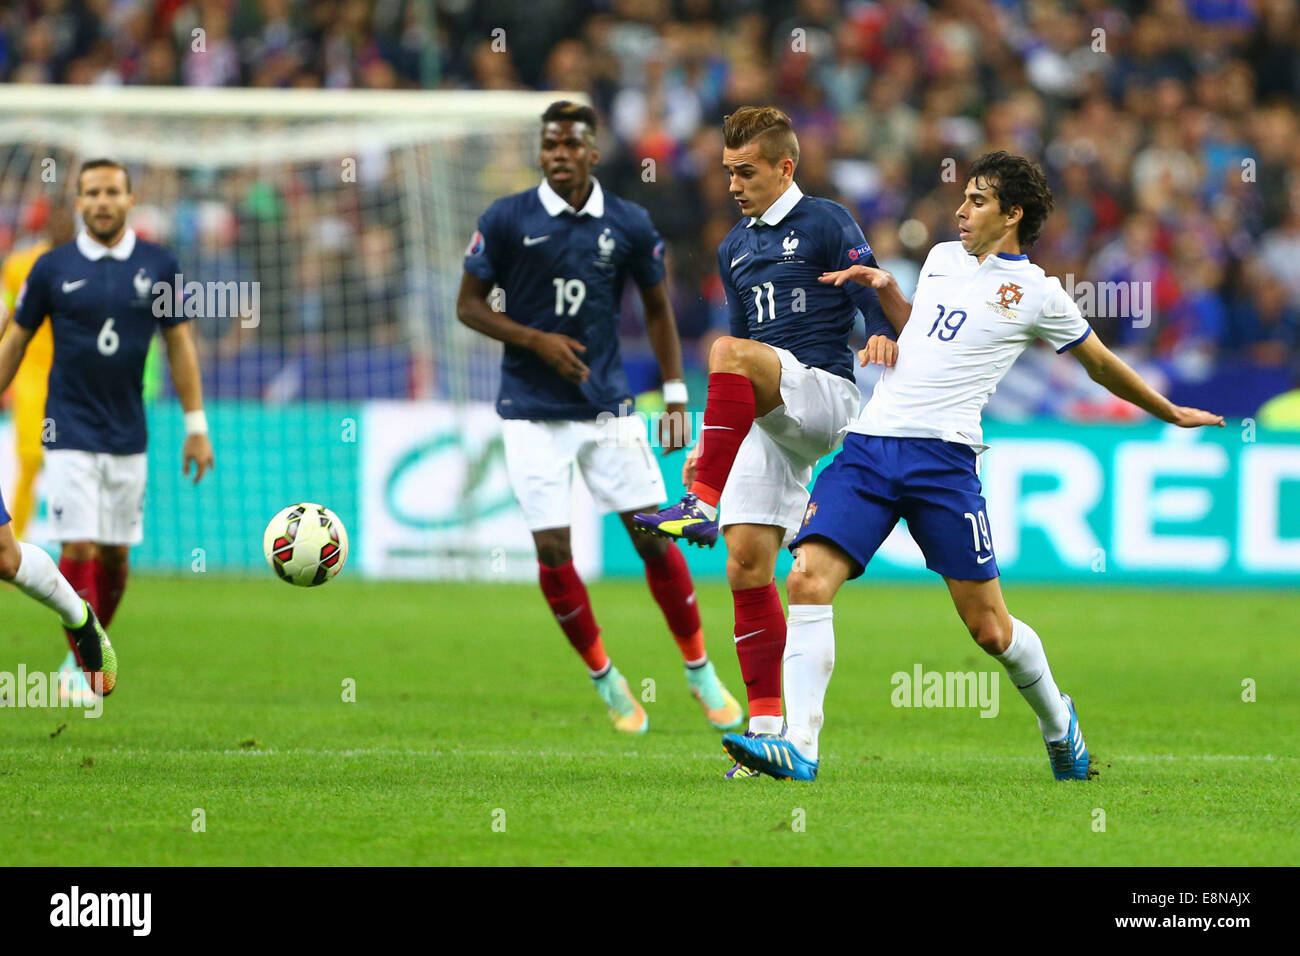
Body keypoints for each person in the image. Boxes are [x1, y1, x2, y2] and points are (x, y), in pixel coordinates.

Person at [722, 151, 1223, 782]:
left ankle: (1056, 718)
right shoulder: (940, 260)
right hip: (871, 445)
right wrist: (890, 296)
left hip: (943, 461)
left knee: (989, 629)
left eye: (979, 200)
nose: (961, 210)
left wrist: (1168, 410)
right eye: (964, 197)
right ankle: (801, 747)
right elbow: (923, 339)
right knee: (807, 581)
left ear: (1013, 214)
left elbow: (1097, 364)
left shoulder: (1039, 293)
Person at [456, 101, 741, 734]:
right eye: (549, 144)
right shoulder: (506, 219)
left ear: (592, 151)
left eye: (570, 144)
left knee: (652, 535)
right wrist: (535, 341)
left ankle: (698, 669)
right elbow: (469, 307)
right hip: (531, 413)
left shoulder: (630, 223)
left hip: (608, 409)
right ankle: (606, 678)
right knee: (554, 551)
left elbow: (660, 309)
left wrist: (672, 397)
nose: (558, 154)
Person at [634, 106, 897, 776]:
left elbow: (866, 285)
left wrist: (877, 329)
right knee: (747, 563)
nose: (732, 183)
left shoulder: (827, 221)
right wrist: (708, 444)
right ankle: (765, 738)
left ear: (785, 166)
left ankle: (696, 500)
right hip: (766, 412)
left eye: (745, 171)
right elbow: (739, 362)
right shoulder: (735, 248)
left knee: (727, 350)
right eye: (727, 172)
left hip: (826, 394)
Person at [0, 159, 215, 695]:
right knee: (78, 546)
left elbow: (179, 343)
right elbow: (17, 340)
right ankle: (85, 660)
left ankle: (89, 652)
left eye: (111, 191)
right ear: (78, 202)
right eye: (92, 192)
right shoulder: (50, 268)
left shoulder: (160, 266)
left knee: (117, 553)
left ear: (129, 200)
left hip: (128, 430)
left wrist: (196, 424)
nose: (101, 200)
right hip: (66, 426)